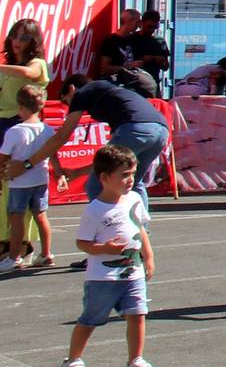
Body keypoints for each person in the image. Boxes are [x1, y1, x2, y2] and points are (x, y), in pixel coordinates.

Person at [5, 37, 170, 205]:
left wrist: (26, 165)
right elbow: (107, 161)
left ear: (71, 89)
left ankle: (106, 227)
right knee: (133, 182)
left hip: (135, 128)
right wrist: (76, 173)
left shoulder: (82, 93)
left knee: (96, 185)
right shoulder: (106, 94)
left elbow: (61, 137)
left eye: (66, 102)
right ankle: (140, 229)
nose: (71, 109)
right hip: (160, 129)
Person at [60, 144, 157, 367]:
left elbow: (140, 228)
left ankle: (136, 360)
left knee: (138, 314)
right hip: (103, 278)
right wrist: (103, 249)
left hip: (132, 273)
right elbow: (82, 243)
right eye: (124, 175)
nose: (130, 180)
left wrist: (149, 256)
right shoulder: (95, 210)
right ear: (104, 178)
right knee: (90, 319)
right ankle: (72, 361)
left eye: (132, 174)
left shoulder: (134, 199)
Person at [1, 20, 54, 272]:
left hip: (20, 125)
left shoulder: (37, 64)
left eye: (23, 37)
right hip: (4, 122)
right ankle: (12, 242)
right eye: (15, 36)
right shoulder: (7, 65)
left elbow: (30, 74)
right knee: (7, 189)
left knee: (17, 190)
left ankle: (23, 246)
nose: (17, 41)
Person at [5, 86, 54, 273]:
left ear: (20, 106)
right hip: (40, 179)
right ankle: (47, 254)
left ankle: (14, 257)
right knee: (40, 215)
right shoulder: (47, 129)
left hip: (20, 182)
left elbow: (3, 156)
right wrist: (59, 174)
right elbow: (53, 153)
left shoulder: (16, 131)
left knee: (16, 219)